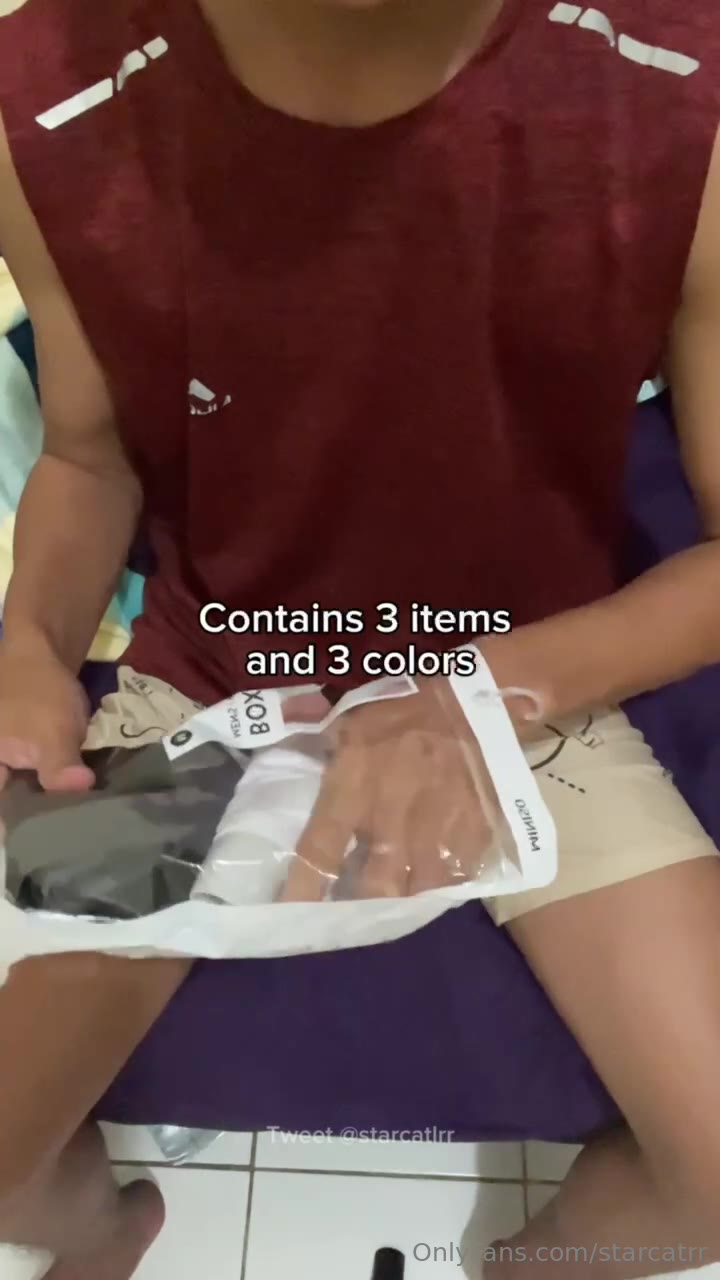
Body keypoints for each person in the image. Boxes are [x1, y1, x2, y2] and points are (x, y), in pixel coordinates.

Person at [0, 0, 719, 1276]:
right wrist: (32, 645)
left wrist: (474, 692)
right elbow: (85, 455)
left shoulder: (680, 84)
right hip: (214, 674)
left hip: (524, 666)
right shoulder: (52, 93)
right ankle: (111, 1227)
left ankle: (525, 1267)